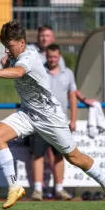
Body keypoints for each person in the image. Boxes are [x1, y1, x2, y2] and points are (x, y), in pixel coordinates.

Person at [0, 20, 105, 210]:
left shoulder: (29, 56)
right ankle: (14, 186)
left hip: (50, 116)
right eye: (5, 47)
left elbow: (19, 72)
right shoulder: (15, 55)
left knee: (74, 157)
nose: (7, 51)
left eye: (9, 46)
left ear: (22, 42)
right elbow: (13, 67)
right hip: (28, 112)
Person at [30, 44, 76, 201]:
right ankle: (37, 190)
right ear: (46, 56)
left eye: (55, 56)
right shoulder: (39, 71)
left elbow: (72, 96)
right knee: (38, 155)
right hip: (41, 120)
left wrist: (73, 118)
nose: (52, 59)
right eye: (49, 56)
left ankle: (59, 189)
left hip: (60, 122)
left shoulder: (68, 73)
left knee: (59, 156)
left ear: (60, 56)